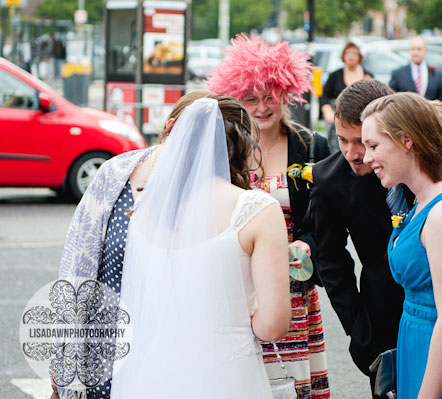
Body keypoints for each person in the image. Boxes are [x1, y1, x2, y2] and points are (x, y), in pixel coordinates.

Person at [57, 92, 291, 398]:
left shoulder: (143, 207)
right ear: (242, 145)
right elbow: (273, 326)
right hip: (225, 373)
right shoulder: (255, 208)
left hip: (149, 370)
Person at [309, 79, 442, 398]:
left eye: (369, 143)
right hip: (390, 325)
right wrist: (360, 333)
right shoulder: (331, 178)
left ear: (403, 137)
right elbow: (331, 260)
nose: (356, 154)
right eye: (342, 140)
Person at [208, 34, 331, 399]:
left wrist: (306, 245)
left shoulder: (310, 145)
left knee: (290, 383)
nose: (262, 106)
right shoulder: (226, 147)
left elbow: (322, 222)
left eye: (270, 95)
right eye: (250, 98)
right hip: (238, 287)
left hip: (293, 285)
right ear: (236, 98)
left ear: (286, 93)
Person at [320, 41, 373, 150]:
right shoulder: (335, 75)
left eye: (354, 53)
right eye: (348, 53)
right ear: (343, 56)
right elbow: (324, 96)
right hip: (338, 121)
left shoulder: (368, 75)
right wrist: (328, 112)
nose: (350, 56)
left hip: (361, 122)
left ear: (359, 56)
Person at [389, 36, 442, 114]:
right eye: (413, 49)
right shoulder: (398, 74)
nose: (416, 52)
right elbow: (390, 100)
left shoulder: (436, 73)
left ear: (425, 51)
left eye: (419, 49)